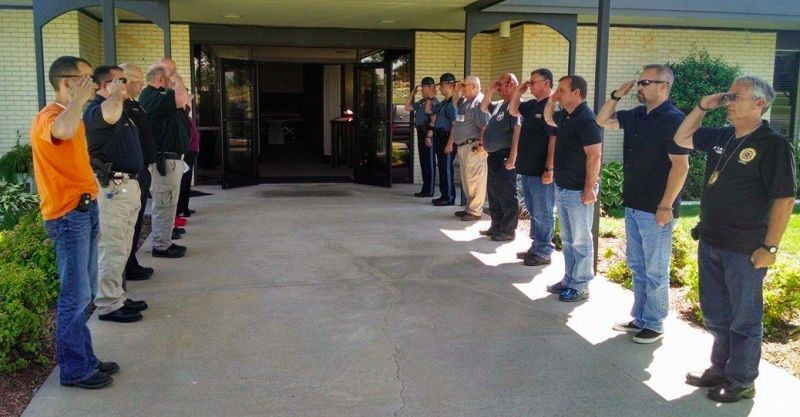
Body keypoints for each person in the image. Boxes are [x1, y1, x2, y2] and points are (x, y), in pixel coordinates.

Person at [674, 75, 796, 403]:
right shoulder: (724, 136)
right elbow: (682, 136)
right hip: (711, 241)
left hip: (745, 248)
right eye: (727, 97)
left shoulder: (773, 144)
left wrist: (769, 248)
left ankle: (742, 380)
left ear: (759, 103)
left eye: (734, 97)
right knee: (716, 313)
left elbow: (784, 200)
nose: (728, 102)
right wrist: (702, 106)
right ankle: (720, 368)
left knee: (744, 317)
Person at [30, 56, 117, 389]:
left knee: (85, 292)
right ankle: (74, 369)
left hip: (84, 210)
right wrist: (79, 99)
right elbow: (61, 130)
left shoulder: (74, 116)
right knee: (74, 296)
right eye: (87, 79)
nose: (94, 84)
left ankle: (85, 358)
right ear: (67, 82)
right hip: (68, 216)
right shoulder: (49, 117)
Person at [597, 64, 690, 344]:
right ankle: (640, 317)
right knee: (637, 265)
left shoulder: (675, 120)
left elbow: (681, 166)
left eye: (645, 83)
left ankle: (655, 322)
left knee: (656, 268)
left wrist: (666, 205)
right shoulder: (637, 115)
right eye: (639, 82)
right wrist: (615, 95)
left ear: (664, 86)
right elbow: (602, 120)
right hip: (634, 203)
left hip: (656, 208)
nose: (639, 87)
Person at [84, 65, 148, 323]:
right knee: (111, 247)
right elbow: (107, 116)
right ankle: (109, 304)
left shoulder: (119, 108)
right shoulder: (97, 111)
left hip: (127, 185)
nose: (124, 84)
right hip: (112, 188)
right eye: (118, 80)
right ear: (103, 85)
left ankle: (117, 295)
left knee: (122, 246)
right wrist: (116, 95)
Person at [543, 75, 602, 302]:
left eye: (562, 90)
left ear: (577, 93)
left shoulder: (586, 119)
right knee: (567, 239)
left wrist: (589, 188)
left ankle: (581, 284)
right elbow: (549, 119)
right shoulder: (566, 116)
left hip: (578, 190)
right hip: (563, 187)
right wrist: (551, 100)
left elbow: (595, 155)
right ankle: (569, 279)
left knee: (580, 240)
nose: (558, 93)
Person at [139, 63, 188, 258]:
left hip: (170, 158)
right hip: (163, 160)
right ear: (160, 80)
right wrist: (178, 80)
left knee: (168, 203)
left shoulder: (158, 97)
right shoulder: (153, 96)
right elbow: (180, 99)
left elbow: (183, 105)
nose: (173, 81)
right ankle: (161, 245)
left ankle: (164, 241)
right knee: (164, 202)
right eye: (170, 77)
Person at [508, 68, 557, 265]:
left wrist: (549, 168)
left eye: (534, 81)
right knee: (533, 210)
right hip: (527, 168)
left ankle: (544, 250)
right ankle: (536, 246)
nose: (530, 84)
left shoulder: (552, 106)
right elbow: (513, 110)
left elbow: (554, 139)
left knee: (543, 210)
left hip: (540, 170)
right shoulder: (530, 105)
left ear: (546, 84)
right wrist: (518, 93)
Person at [120, 63, 157, 282]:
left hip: (141, 170)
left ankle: (131, 262)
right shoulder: (120, 108)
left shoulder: (134, 105)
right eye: (138, 80)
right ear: (126, 81)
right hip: (129, 175)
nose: (142, 84)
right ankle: (127, 267)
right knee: (128, 226)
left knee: (136, 221)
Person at [478, 73, 521, 241]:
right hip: (493, 155)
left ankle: (508, 230)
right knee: (494, 192)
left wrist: (512, 157)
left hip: (505, 155)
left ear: (511, 84)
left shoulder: (516, 106)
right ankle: (496, 225)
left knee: (506, 193)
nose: (499, 88)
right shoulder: (499, 105)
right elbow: (483, 107)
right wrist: (489, 90)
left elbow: (517, 132)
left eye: (501, 85)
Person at [445, 75, 490, 221]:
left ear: (474, 87)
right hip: (463, 146)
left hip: (474, 146)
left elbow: (485, 125)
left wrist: (481, 145)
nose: (462, 87)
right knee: (467, 181)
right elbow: (456, 104)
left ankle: (475, 211)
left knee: (475, 180)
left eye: (465, 85)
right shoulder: (466, 102)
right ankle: (469, 208)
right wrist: (457, 92)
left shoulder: (479, 103)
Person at [405, 77, 439, 198]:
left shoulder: (434, 102)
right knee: (424, 162)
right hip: (421, 133)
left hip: (428, 134)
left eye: (423, 87)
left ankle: (429, 190)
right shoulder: (421, 102)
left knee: (429, 162)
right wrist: (412, 94)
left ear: (430, 88)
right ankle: (425, 189)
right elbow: (407, 107)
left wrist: (429, 135)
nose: (422, 90)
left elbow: (434, 120)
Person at [428, 73, 458, 206]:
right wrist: (430, 97)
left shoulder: (452, 104)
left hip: (447, 138)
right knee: (442, 168)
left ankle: (449, 197)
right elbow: (429, 111)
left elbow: (455, 125)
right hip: (440, 138)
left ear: (450, 86)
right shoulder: (444, 102)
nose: (439, 88)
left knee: (446, 169)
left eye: (441, 85)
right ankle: (444, 195)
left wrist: (450, 144)